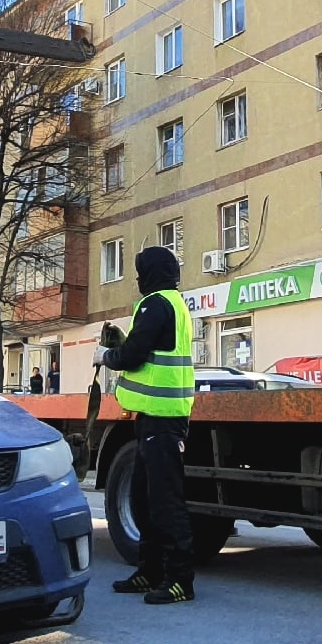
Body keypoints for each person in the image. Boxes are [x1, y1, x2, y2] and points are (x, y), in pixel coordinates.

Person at [99, 245, 198, 604]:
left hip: (163, 417)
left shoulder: (156, 303)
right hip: (155, 418)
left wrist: (107, 356)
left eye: (140, 271)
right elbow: (151, 350)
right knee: (143, 496)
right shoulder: (171, 303)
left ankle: (179, 581)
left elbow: (134, 355)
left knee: (163, 502)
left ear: (151, 274)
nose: (138, 279)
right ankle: (150, 570)